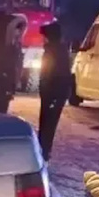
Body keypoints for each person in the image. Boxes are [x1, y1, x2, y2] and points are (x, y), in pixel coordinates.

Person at [37, 21, 73, 161]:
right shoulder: (61, 50)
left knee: (47, 122)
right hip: (56, 92)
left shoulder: (52, 51)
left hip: (52, 92)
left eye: (45, 36)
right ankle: (44, 150)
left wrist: (45, 89)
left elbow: (48, 73)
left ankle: (43, 151)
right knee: (49, 123)